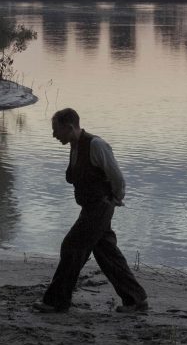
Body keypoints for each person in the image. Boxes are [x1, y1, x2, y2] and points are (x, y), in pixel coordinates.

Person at [32, 108, 149, 314]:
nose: (53, 135)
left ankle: (56, 301)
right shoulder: (74, 145)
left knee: (71, 247)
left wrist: (116, 198)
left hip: (100, 208)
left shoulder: (96, 145)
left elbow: (117, 178)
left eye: (56, 130)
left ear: (69, 127)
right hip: (91, 208)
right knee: (107, 254)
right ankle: (136, 300)